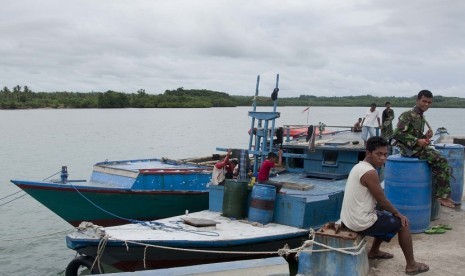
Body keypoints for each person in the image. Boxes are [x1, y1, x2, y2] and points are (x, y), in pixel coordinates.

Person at [340, 136, 429, 275]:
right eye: (379, 154)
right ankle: (411, 265)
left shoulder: (358, 166)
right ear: (368, 153)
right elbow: (382, 201)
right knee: (403, 224)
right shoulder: (370, 172)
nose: (383, 158)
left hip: (348, 219)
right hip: (359, 222)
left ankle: (374, 251)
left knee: (382, 216)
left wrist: (390, 212)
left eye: (385, 154)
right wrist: (398, 214)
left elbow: (379, 200)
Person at [392, 90, 455, 208]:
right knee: (441, 160)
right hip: (408, 149)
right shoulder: (408, 115)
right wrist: (417, 141)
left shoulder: (421, 117)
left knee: (440, 159)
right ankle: (442, 196)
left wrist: (426, 137)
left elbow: (414, 135)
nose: (426, 104)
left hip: (416, 148)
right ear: (417, 100)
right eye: (424, 101)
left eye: (429, 102)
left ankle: (443, 194)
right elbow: (397, 133)